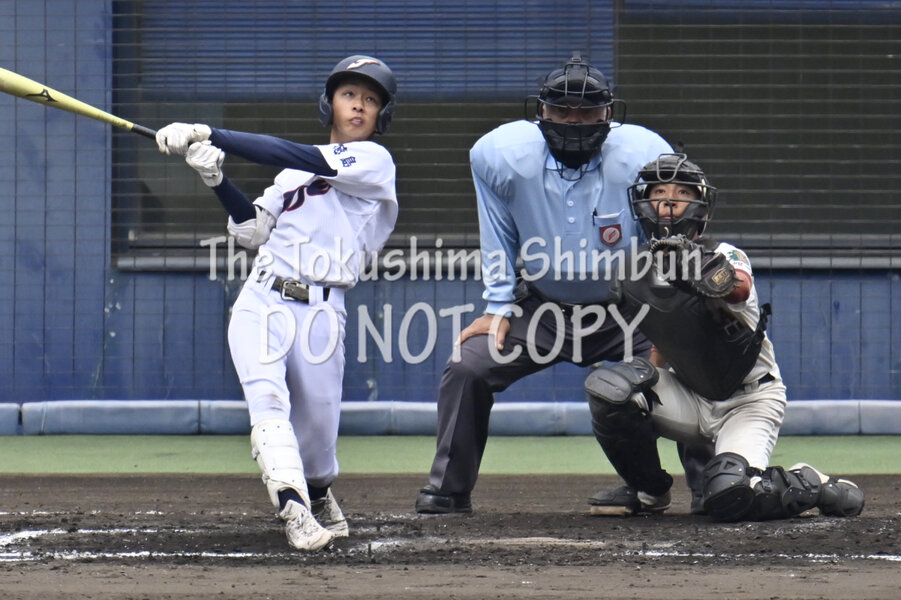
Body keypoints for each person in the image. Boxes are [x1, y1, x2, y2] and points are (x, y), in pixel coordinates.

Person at [415, 53, 712, 514]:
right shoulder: (501, 155)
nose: (574, 120)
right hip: (542, 310)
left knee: (692, 361)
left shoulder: (641, 153)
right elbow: (497, 232)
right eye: (562, 110)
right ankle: (448, 490)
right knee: (467, 366)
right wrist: (497, 306)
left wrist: (672, 319)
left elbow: (667, 239)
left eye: (587, 111)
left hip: (627, 311)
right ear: (542, 111)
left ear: (608, 113)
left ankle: (706, 488)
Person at [154, 55, 398, 549]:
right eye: (349, 94)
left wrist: (211, 132)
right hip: (263, 299)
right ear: (330, 103)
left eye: (370, 100)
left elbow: (304, 156)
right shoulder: (291, 175)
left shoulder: (374, 162)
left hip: (324, 311)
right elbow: (252, 230)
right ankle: (294, 509)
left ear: (381, 115)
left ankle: (318, 491)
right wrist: (216, 179)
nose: (358, 105)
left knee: (319, 442)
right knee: (267, 401)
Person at [584, 153, 865, 521]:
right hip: (691, 397)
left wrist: (701, 272)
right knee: (612, 389)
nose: (668, 201)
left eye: (681, 193)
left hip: (748, 400)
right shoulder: (636, 270)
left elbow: (738, 288)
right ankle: (648, 490)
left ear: (700, 207)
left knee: (729, 495)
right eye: (659, 192)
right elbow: (665, 337)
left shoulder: (723, 254)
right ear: (644, 204)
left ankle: (811, 482)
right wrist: (647, 387)